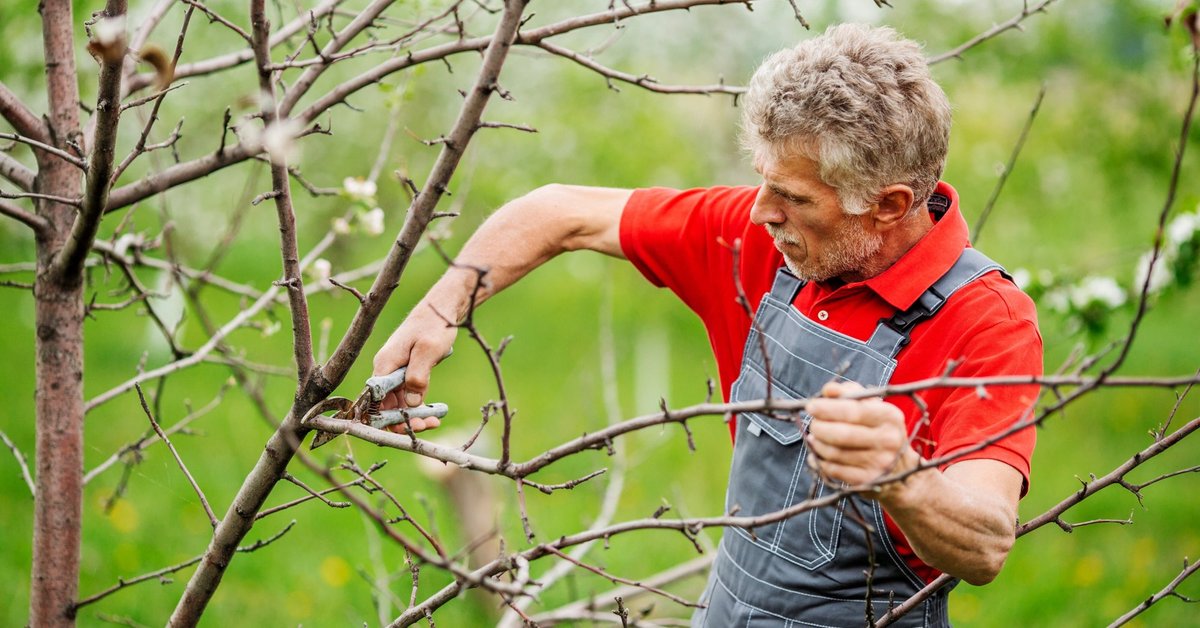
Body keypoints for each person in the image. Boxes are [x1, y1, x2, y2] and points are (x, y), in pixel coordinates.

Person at [373, 23, 1041, 627]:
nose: (760, 213)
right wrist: (440, 309)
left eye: (795, 198)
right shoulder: (759, 246)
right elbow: (559, 212)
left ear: (890, 205)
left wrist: (903, 477)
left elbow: (985, 544)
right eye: (763, 182)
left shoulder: (986, 323)